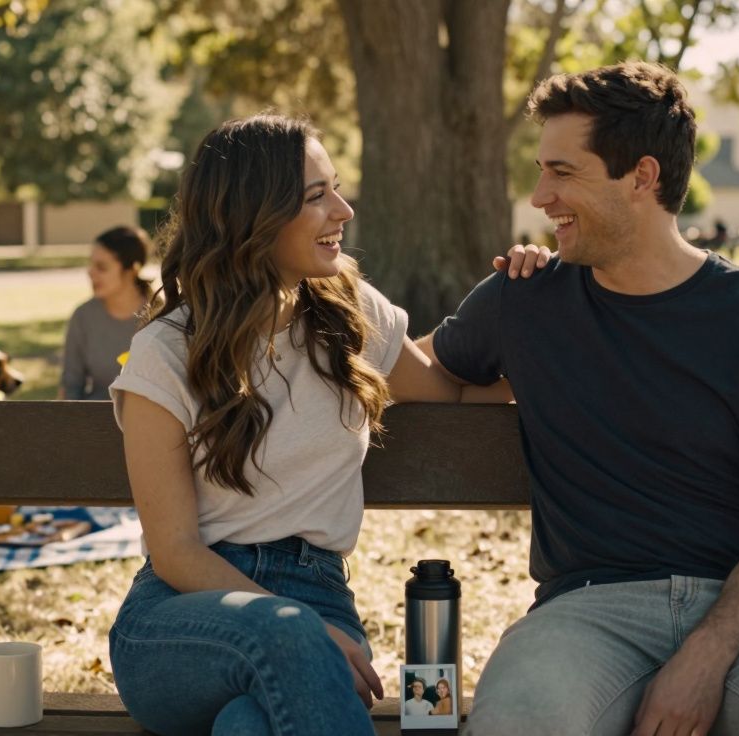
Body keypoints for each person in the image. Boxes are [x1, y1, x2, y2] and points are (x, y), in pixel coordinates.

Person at [422, 62, 739, 735]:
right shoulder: (523, 300)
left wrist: (705, 654)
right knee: (519, 723)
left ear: (642, 177)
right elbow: (405, 372)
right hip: (585, 616)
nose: (539, 196)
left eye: (562, 172)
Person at [105, 114, 544, 736]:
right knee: (285, 640)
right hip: (182, 621)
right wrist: (295, 626)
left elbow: (458, 395)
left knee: (248, 727)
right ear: (252, 216)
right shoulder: (168, 349)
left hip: (320, 598)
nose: (343, 209)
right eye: (317, 196)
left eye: (336, 188)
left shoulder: (351, 315)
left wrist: (537, 301)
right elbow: (176, 552)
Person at [59, 226, 154, 400]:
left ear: (132, 269)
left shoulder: (162, 315)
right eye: (91, 265)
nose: (90, 272)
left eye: (101, 267)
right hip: (92, 422)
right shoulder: (83, 316)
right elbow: (70, 387)